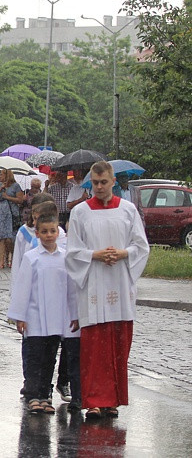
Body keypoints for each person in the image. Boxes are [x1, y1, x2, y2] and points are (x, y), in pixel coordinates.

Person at [65, 161, 149, 420]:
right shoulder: (80, 212)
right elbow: (72, 252)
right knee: (94, 348)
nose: (99, 187)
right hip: (93, 283)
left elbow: (141, 246)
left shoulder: (128, 210)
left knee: (118, 345)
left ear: (113, 181)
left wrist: (123, 253)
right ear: (90, 183)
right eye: (95, 183)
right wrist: (95, 255)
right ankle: (94, 401)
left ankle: (112, 400)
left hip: (120, 283)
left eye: (104, 182)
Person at [8, 214, 79, 415]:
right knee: (35, 357)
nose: (49, 235)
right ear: (37, 234)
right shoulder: (32, 258)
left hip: (57, 315)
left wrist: (74, 314)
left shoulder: (65, 258)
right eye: (45, 231)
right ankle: (33, 395)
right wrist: (20, 316)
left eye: (52, 231)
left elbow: (71, 289)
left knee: (50, 357)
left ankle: (45, 395)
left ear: (58, 233)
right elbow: (23, 287)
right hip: (35, 316)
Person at [0, 169, 24, 269]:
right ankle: (1, 261)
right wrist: (0, 189)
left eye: (1, 174)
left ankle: (12, 258)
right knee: (0, 237)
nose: (0, 176)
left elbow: (20, 200)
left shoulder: (15, 186)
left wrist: (7, 197)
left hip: (12, 214)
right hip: (0, 214)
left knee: (10, 238)